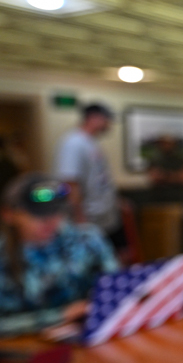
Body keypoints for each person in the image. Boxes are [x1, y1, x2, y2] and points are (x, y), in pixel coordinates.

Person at [0, 173, 119, 336]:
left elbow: (116, 294)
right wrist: (59, 315)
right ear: (8, 214)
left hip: (87, 340)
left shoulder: (88, 241)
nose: (50, 220)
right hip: (21, 346)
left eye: (57, 211)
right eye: (37, 214)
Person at [54, 103, 125, 256]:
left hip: (105, 219)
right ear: (94, 118)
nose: (109, 125)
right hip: (89, 221)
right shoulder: (73, 143)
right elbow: (70, 182)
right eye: (107, 120)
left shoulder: (90, 143)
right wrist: (81, 221)